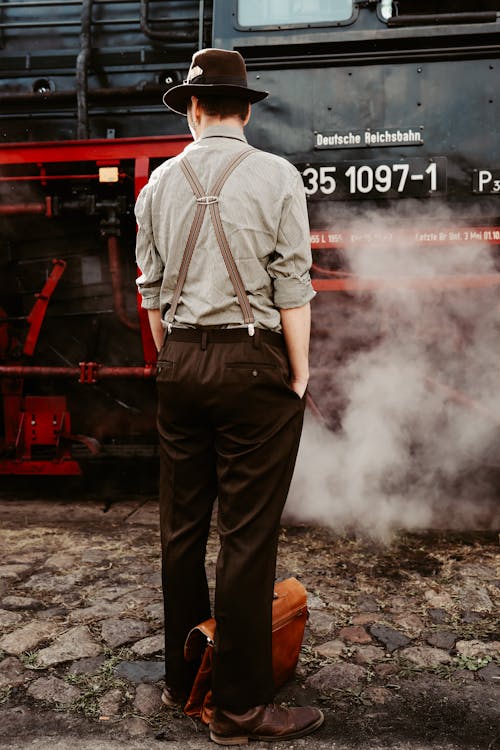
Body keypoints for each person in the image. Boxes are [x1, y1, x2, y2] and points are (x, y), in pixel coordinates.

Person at [135, 47, 323, 745]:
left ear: (190, 109)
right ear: (245, 109)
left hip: (178, 360)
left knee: (180, 531)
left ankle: (182, 685)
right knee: (246, 537)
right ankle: (240, 709)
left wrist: (175, 361)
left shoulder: (156, 185)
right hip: (253, 366)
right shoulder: (275, 175)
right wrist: (297, 375)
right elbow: (294, 288)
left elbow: (150, 295)